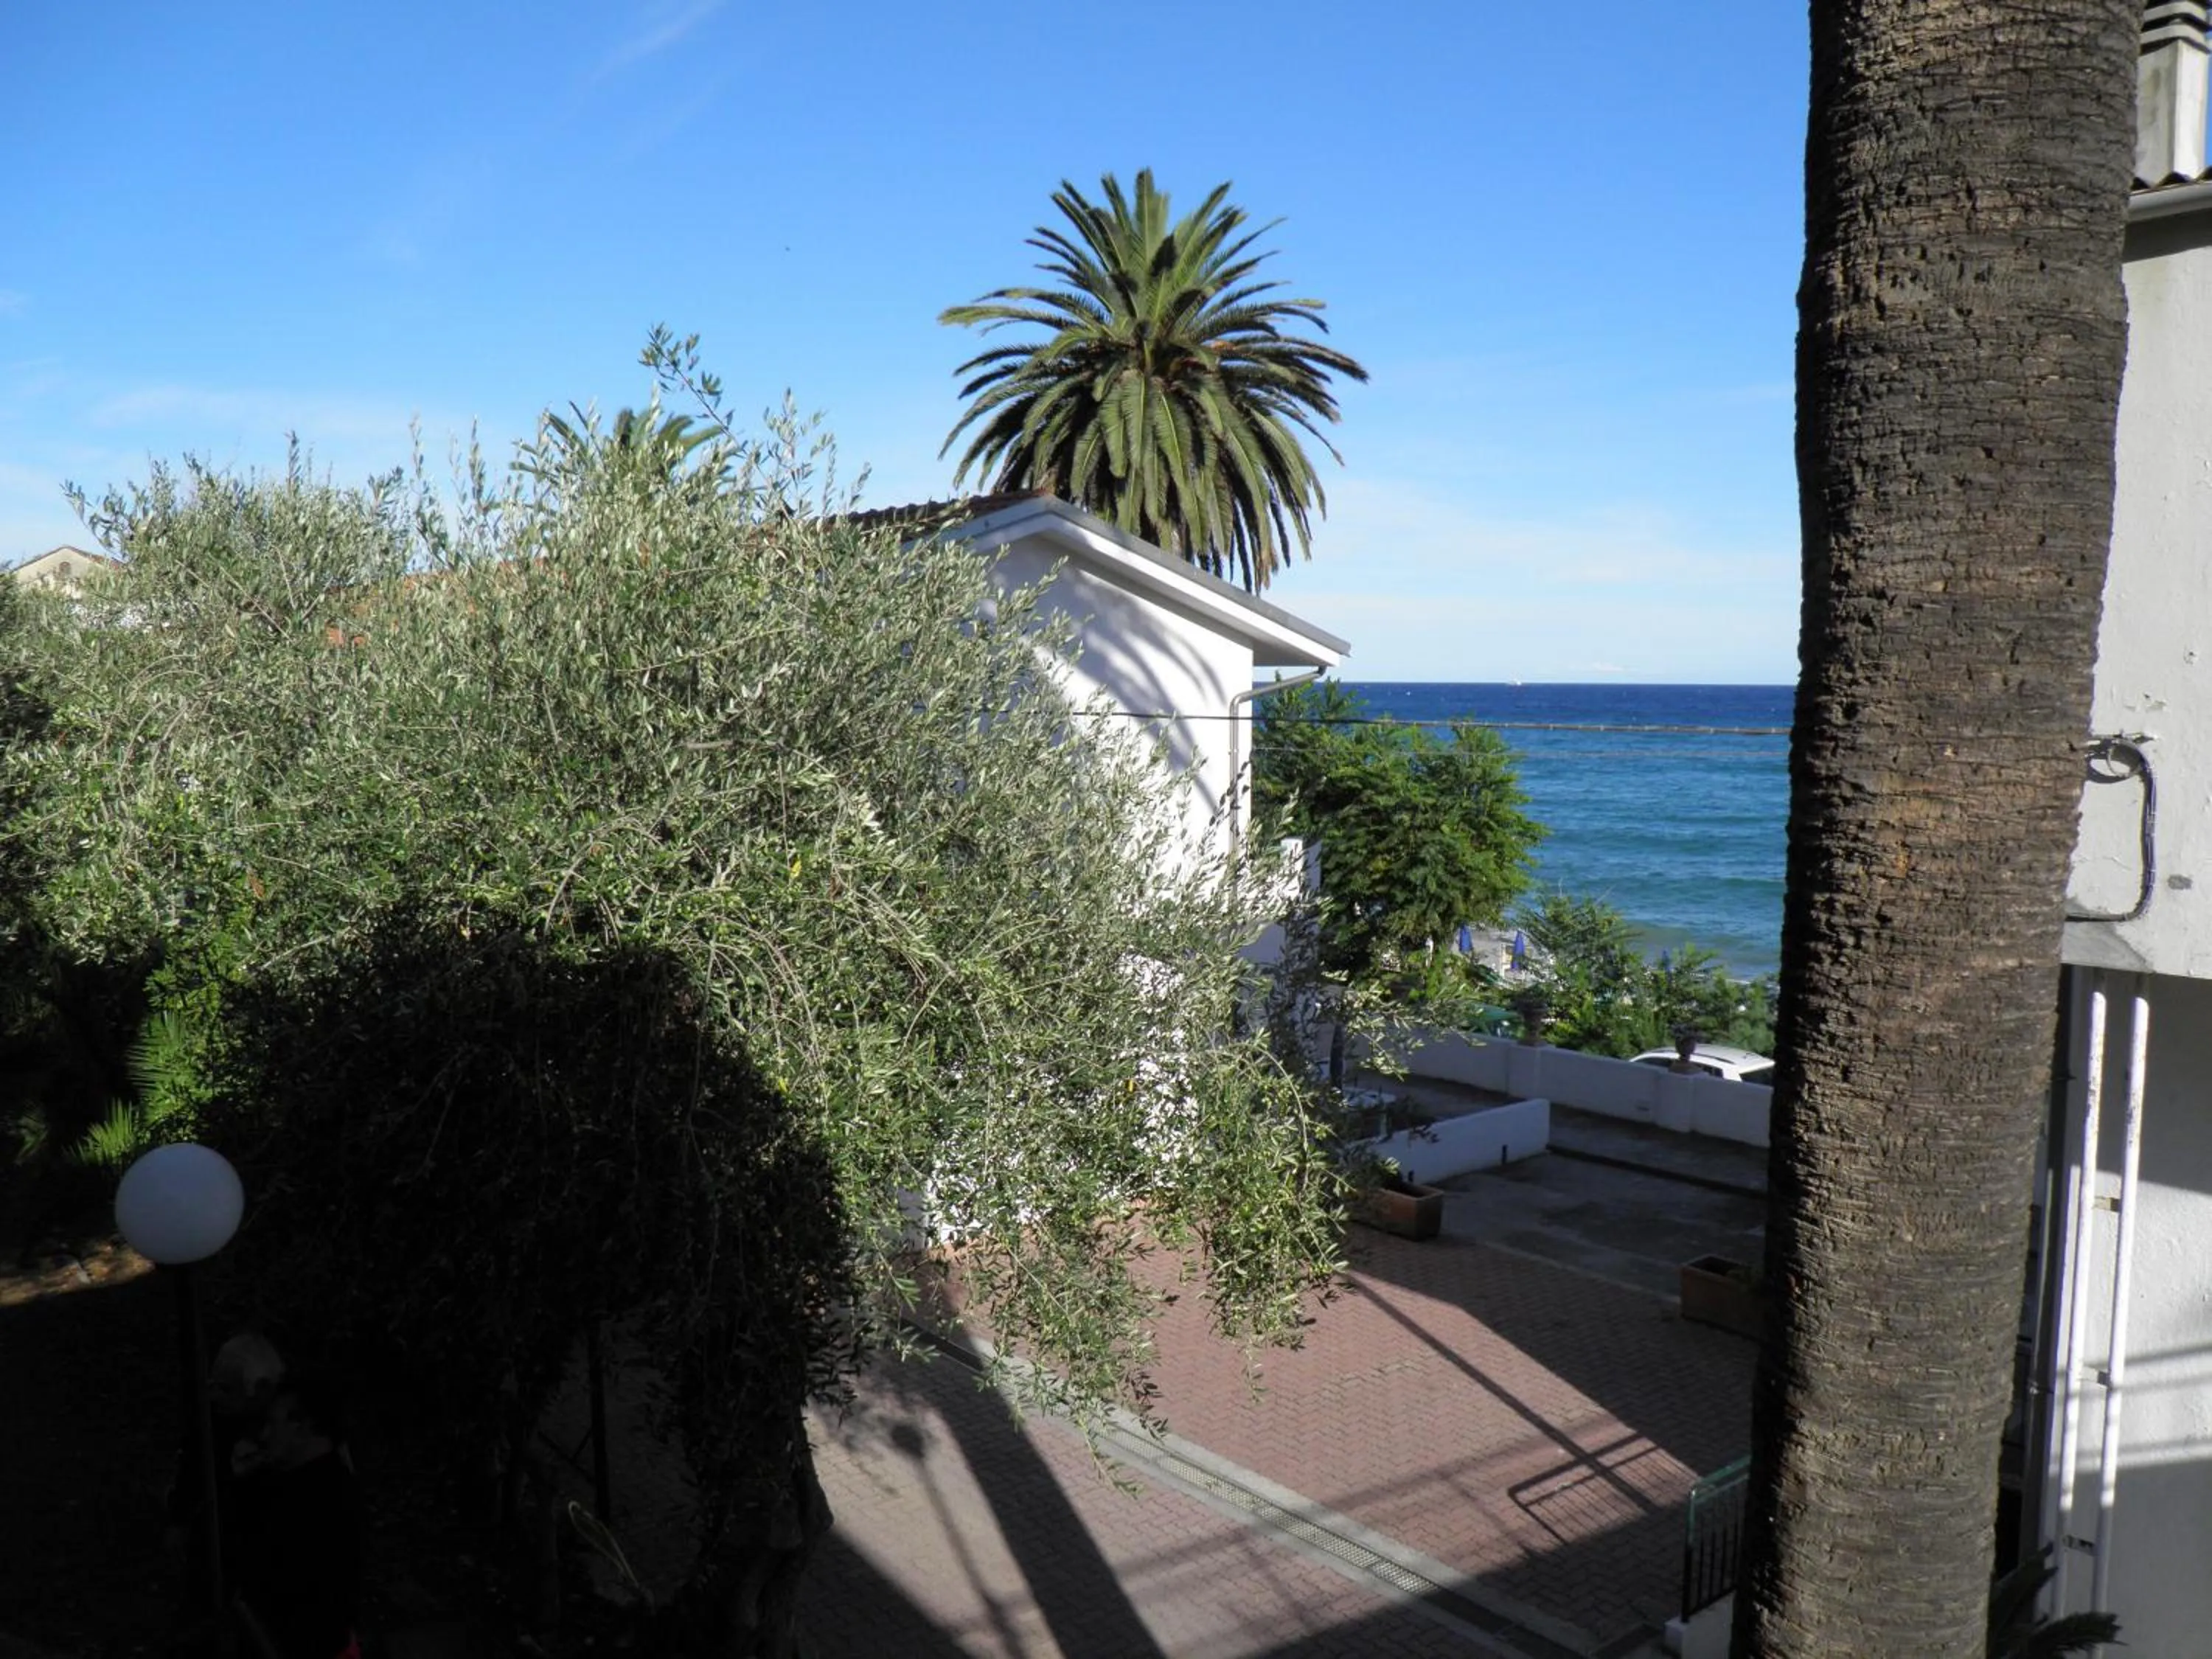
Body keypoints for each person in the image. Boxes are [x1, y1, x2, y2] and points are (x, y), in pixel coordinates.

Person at [226, 1368, 362, 1659]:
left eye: (274, 1424)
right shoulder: (294, 1484)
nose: (265, 1434)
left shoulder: (322, 1502)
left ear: (301, 1425)